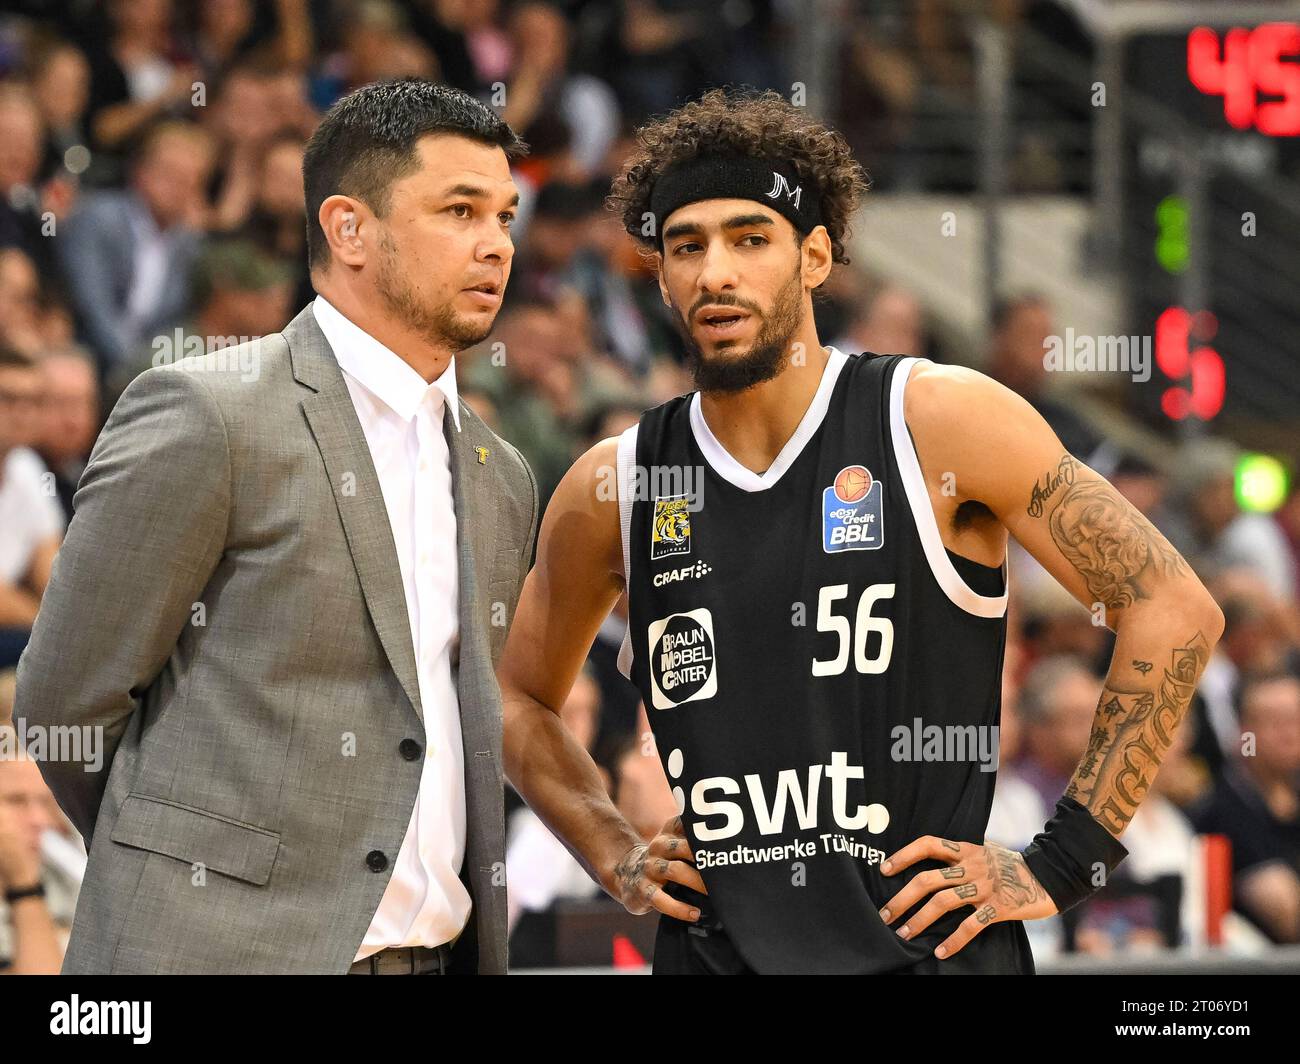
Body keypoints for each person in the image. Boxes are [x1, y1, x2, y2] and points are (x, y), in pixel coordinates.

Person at [496, 88, 1224, 973]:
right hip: (720, 951)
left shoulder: (935, 418)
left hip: (927, 947)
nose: (714, 271)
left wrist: (1067, 861)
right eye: (686, 246)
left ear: (813, 257)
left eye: (748, 238)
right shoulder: (617, 482)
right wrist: (615, 852)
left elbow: (1173, 604)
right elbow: (517, 697)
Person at [15, 79, 537, 975]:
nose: (496, 245)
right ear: (348, 229)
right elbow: (64, 702)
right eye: (460, 210)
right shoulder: (206, 413)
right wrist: (189, 866)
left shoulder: (504, 474)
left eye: (505, 215)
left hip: (437, 957)